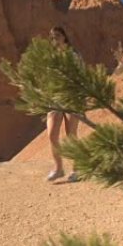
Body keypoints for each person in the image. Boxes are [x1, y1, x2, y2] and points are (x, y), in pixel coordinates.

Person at [46, 26, 80, 182]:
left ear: (65, 37)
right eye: (52, 37)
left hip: (72, 96)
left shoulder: (73, 55)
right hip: (55, 98)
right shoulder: (51, 57)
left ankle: (77, 169)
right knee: (52, 134)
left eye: (58, 36)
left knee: (71, 134)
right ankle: (58, 168)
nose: (55, 39)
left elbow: (81, 75)